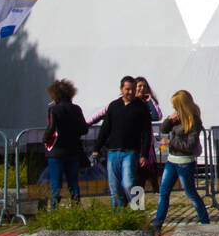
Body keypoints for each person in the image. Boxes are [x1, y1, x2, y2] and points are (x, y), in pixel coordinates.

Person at [152, 90, 210, 235]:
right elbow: (164, 129)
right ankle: (157, 224)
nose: (174, 109)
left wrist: (171, 142)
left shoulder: (193, 121)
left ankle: (205, 222)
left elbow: (189, 145)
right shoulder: (176, 118)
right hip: (172, 160)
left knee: (191, 193)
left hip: (185, 162)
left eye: (176, 106)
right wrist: (169, 119)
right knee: (164, 192)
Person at [93, 76, 152, 208]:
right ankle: (119, 216)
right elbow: (105, 129)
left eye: (132, 89)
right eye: (127, 89)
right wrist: (96, 148)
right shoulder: (114, 106)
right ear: (121, 89)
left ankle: (137, 208)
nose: (129, 92)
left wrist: (144, 155)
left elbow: (147, 133)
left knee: (128, 183)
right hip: (113, 151)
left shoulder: (141, 107)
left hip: (131, 152)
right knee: (114, 186)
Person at [43, 79, 89, 209]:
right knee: (73, 183)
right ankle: (76, 208)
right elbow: (84, 129)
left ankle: (54, 210)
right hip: (73, 151)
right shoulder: (76, 109)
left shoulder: (54, 110)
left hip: (56, 152)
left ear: (55, 94)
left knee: (56, 184)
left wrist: (44, 139)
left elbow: (51, 129)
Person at [134, 77, 162, 193]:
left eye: (144, 86)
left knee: (146, 173)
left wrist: (150, 100)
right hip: (134, 143)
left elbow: (157, 116)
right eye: (139, 86)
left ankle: (153, 197)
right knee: (137, 175)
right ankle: (136, 205)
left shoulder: (147, 103)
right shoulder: (130, 103)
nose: (142, 88)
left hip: (146, 145)